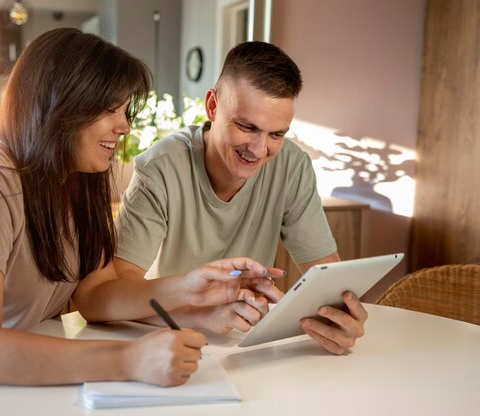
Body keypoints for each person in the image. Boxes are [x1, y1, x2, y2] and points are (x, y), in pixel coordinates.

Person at [0, 29, 271, 415]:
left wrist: (192, 294)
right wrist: (129, 360)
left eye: (125, 111)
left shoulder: (71, 182)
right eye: (112, 109)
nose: (124, 126)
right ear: (60, 104)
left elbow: (95, 295)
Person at [114, 41, 368, 354]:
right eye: (247, 127)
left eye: (277, 134)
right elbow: (119, 290)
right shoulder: (160, 168)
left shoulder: (291, 166)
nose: (260, 150)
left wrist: (340, 319)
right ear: (212, 106)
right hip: (163, 339)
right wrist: (202, 314)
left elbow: (327, 278)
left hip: (245, 345)